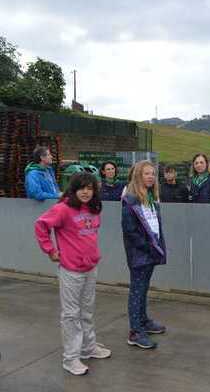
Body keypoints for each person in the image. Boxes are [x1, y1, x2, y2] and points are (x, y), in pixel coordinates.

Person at [34, 173, 111, 376]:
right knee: (70, 315)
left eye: (90, 188)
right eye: (81, 188)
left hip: (90, 268)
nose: (86, 192)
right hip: (71, 270)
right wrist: (50, 250)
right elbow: (41, 225)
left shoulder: (94, 209)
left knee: (87, 311)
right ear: (73, 189)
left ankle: (88, 348)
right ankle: (70, 358)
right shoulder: (63, 209)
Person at [122, 160, 167, 349]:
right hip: (140, 254)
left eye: (152, 174)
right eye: (146, 173)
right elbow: (130, 231)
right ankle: (135, 331)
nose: (150, 177)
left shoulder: (150, 197)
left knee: (143, 289)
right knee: (137, 291)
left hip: (150, 252)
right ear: (138, 176)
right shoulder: (130, 199)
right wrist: (148, 247)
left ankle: (143, 321)